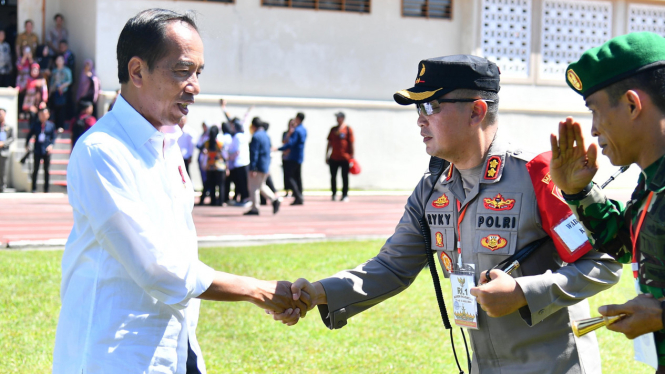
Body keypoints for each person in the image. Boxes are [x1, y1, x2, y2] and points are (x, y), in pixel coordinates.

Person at [273, 55, 622, 373]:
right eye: (417, 109)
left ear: (476, 111)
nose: (420, 121)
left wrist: (523, 291)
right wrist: (318, 291)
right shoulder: (432, 189)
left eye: (431, 106)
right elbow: (392, 266)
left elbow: (603, 263)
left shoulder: (539, 175)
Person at [52, 9, 309, 374]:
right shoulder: (102, 152)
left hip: (173, 349)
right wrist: (257, 289)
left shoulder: (167, 145)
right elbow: (159, 269)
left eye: (198, 72)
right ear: (137, 71)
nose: (195, 86)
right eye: (181, 71)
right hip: (114, 357)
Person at [549, 32, 665, 372]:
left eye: (595, 111)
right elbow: (624, 243)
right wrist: (579, 192)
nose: (595, 130)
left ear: (631, 104)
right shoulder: (652, 181)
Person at [245, 117, 280, 215]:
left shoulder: (256, 136)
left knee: (254, 188)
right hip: (264, 165)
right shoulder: (266, 135)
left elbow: (254, 153)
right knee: (261, 186)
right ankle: (274, 199)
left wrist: (253, 167)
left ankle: (255, 208)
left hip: (258, 166)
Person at [25, 105, 55, 193]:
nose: (43, 116)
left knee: (46, 170)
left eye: (44, 114)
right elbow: (29, 135)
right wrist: (27, 144)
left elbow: (53, 137)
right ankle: (33, 188)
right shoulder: (35, 124)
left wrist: (51, 145)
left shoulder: (51, 125)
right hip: (37, 149)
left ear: (48, 115)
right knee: (36, 169)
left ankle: (46, 189)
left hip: (46, 149)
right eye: (41, 114)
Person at [278, 112, 306, 205]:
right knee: (298, 177)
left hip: (293, 156)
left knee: (290, 177)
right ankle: (299, 195)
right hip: (298, 156)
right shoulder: (303, 129)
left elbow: (290, 143)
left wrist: (279, 148)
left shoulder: (297, 131)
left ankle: (298, 196)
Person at [326, 111, 354, 202]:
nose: (337, 119)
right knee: (333, 177)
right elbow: (329, 143)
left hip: (345, 157)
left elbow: (351, 143)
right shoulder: (333, 129)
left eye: (339, 117)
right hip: (334, 157)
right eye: (336, 117)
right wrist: (327, 155)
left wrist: (352, 157)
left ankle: (344, 195)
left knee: (344, 177)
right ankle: (334, 194)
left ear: (342, 118)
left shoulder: (348, 129)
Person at [201, 125, 226, 206]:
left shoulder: (207, 143)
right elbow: (225, 154)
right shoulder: (220, 143)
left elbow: (203, 152)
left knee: (212, 184)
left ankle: (213, 201)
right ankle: (221, 201)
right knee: (221, 185)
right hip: (219, 166)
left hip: (210, 166)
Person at [227, 120, 250, 205]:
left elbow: (237, 151)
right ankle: (245, 198)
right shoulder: (244, 135)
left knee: (241, 183)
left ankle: (244, 199)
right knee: (244, 182)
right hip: (245, 161)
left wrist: (229, 157)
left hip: (239, 162)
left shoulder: (237, 137)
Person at [49, 55, 72, 130]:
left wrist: (62, 86)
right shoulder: (54, 71)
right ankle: (55, 126)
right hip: (55, 92)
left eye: (61, 60)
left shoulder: (67, 70)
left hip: (63, 92)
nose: (59, 61)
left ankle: (61, 126)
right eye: (58, 60)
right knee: (56, 109)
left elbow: (69, 81)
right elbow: (52, 82)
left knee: (62, 109)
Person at [0, 108, 14, 192]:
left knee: (3, 171)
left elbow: (12, 138)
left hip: (4, 151)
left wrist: (4, 143)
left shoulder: (8, 127)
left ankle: (2, 186)